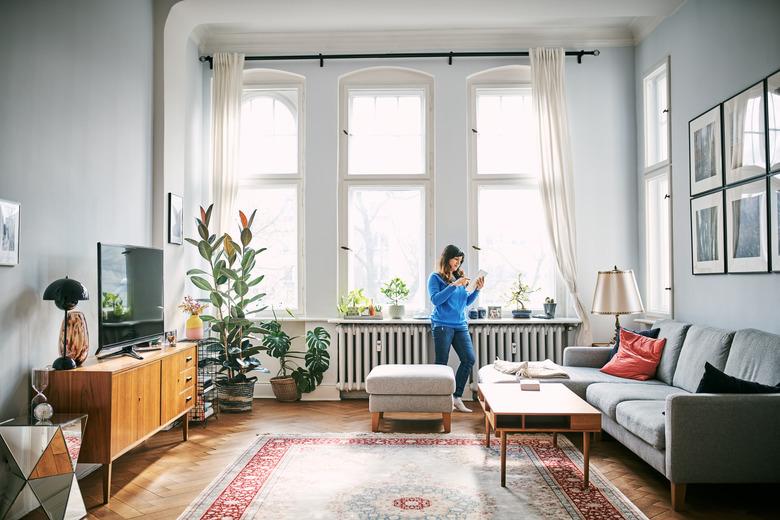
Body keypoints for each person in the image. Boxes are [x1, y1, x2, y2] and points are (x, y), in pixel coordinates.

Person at [427, 244, 485, 413]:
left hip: (460, 325)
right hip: (442, 325)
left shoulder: (460, 277)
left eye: (460, 261)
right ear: (447, 258)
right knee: (441, 364)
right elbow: (436, 300)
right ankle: (440, 401)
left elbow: (465, 302)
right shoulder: (435, 278)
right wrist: (453, 285)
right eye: (456, 260)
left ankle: (456, 397)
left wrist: (477, 290)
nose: (458, 264)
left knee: (469, 359)